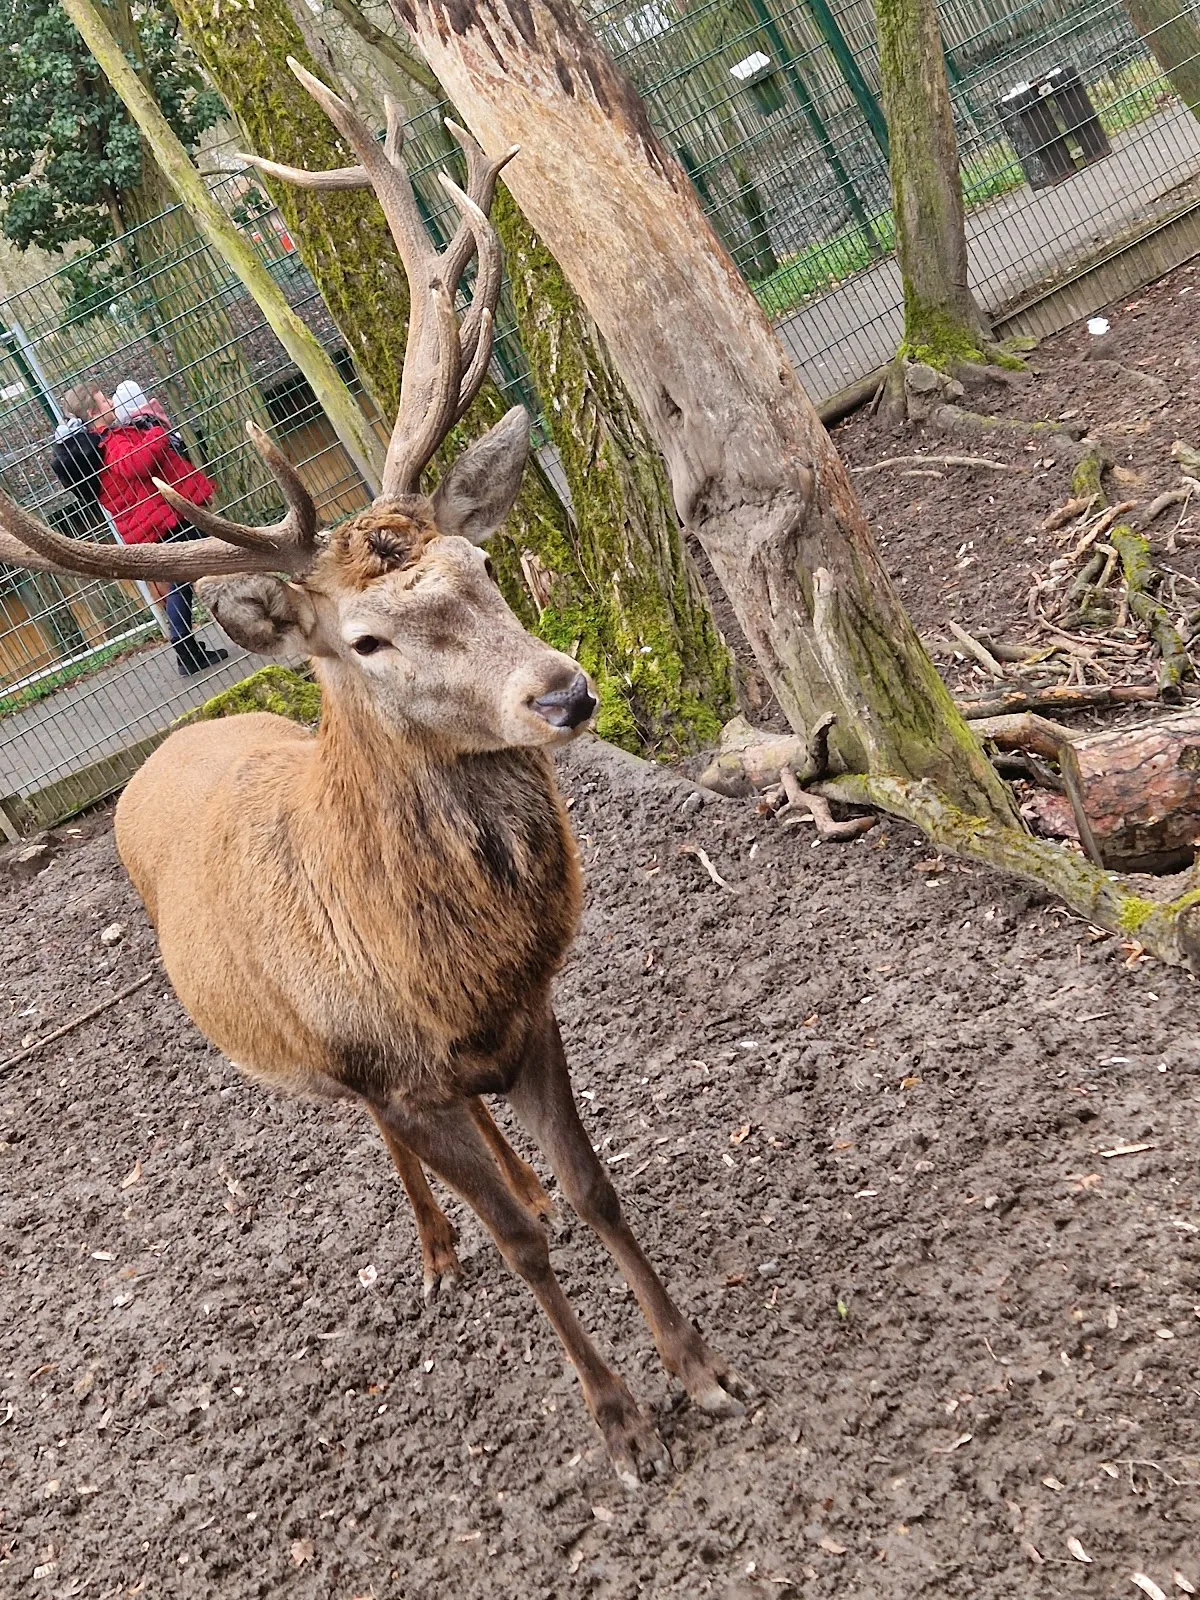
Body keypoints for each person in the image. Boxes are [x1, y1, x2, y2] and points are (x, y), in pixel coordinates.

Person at [59, 383, 229, 677]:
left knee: (187, 579)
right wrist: (157, 432)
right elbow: (136, 463)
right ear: (92, 412)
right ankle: (187, 647)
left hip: (159, 519)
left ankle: (188, 649)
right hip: (165, 521)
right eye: (105, 400)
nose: (112, 402)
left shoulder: (104, 442)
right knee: (200, 571)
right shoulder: (108, 442)